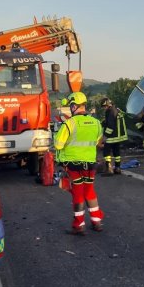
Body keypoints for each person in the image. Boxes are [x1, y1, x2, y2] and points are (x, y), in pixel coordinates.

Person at [53, 92, 104, 235]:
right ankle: (97, 222)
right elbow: (98, 142)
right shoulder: (96, 122)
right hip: (90, 164)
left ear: (74, 106)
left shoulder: (70, 123)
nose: (70, 108)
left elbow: (58, 145)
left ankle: (79, 225)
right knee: (90, 191)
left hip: (74, 165)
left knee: (78, 193)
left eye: (71, 106)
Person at [100, 97, 128, 175]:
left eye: (104, 106)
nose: (103, 108)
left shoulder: (111, 111)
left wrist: (105, 136)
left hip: (111, 137)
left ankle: (109, 170)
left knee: (106, 153)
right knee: (117, 153)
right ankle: (117, 168)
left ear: (108, 105)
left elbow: (110, 126)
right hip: (117, 137)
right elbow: (111, 122)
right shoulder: (116, 110)